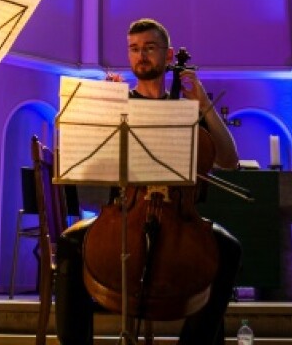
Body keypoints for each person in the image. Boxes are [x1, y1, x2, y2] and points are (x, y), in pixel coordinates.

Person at [54, 18, 242, 345]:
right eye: (134, 49)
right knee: (71, 245)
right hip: (124, 216)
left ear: (168, 56)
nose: (141, 55)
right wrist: (101, 106)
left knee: (229, 249)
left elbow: (229, 159)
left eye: (150, 48)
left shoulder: (187, 110)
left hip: (181, 221)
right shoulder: (120, 104)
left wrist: (203, 105)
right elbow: (88, 159)